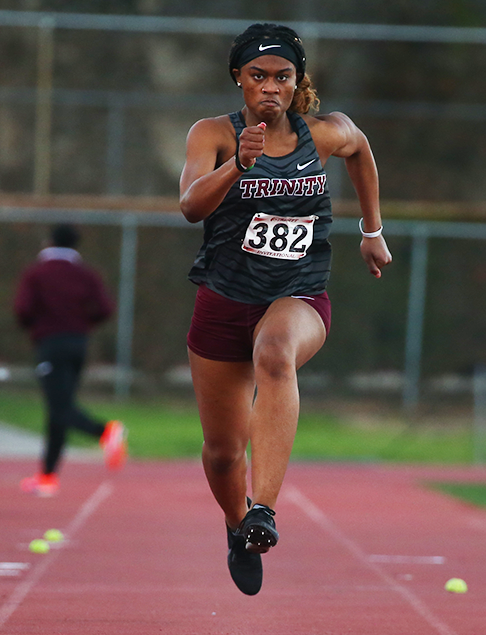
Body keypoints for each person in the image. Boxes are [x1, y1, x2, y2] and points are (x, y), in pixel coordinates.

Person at [179, 23, 392, 596]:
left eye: (282, 77)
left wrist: (371, 230)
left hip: (296, 295)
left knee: (275, 354)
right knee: (223, 455)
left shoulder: (322, 134)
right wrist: (237, 167)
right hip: (223, 300)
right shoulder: (215, 134)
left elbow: (362, 149)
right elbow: (190, 206)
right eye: (257, 76)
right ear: (238, 79)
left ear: (298, 83)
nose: (269, 88)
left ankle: (264, 512)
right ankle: (237, 522)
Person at [14, 224, 126, 497]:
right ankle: (48, 476)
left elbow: (22, 310)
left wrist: (41, 323)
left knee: (59, 409)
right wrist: (80, 322)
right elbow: (104, 309)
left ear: (49, 242)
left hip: (51, 345)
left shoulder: (37, 273)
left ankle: (105, 432)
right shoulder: (86, 275)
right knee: (58, 411)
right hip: (78, 345)